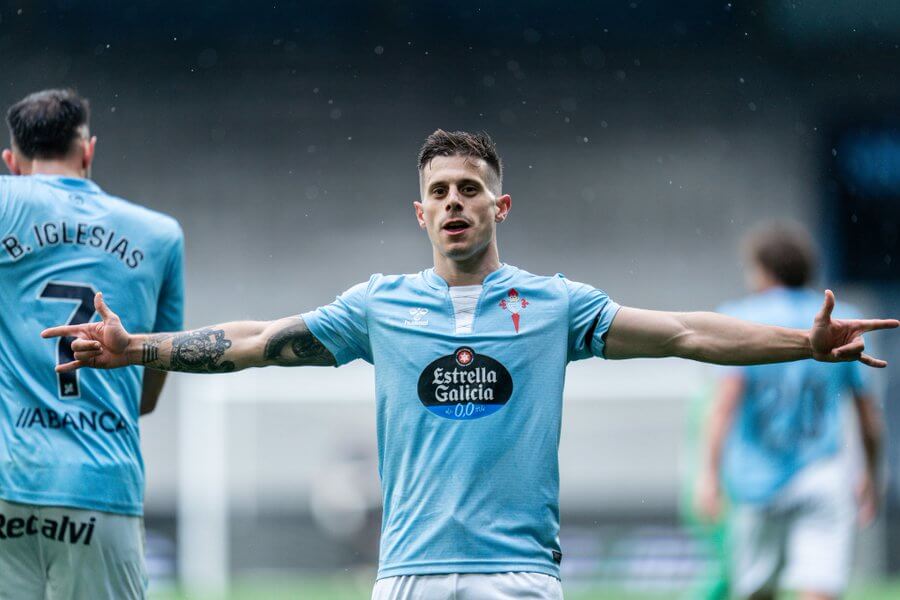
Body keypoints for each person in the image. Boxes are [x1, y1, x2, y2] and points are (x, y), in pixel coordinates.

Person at [42, 130, 896, 600]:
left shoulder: (556, 304)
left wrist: (802, 343)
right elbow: (259, 342)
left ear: (500, 204)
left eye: (470, 187)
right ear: (420, 214)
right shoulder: (380, 306)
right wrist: (135, 348)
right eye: (440, 191)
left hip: (518, 579)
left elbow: (685, 332)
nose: (455, 202)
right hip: (408, 575)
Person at [0, 89, 185, 599]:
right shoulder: (160, 234)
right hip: (99, 489)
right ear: (88, 151)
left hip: (7, 481)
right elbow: (146, 394)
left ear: (11, 162)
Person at [695, 224, 884, 600]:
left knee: (756, 591)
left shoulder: (740, 318)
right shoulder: (843, 318)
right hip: (822, 471)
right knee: (820, 586)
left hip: (756, 476)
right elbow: (866, 415)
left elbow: (724, 405)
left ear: (762, 270)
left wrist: (709, 475)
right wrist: (872, 475)